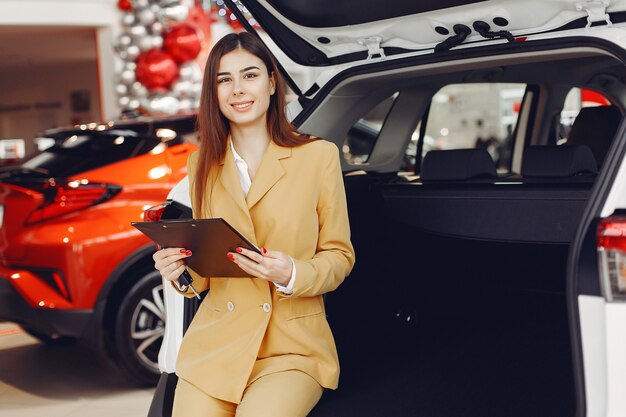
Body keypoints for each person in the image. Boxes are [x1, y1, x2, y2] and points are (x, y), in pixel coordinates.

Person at [152, 31, 355, 417]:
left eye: (250, 75)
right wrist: (177, 272)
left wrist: (291, 272)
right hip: (217, 344)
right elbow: (204, 274)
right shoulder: (202, 166)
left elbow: (339, 257)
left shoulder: (317, 156)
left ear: (272, 82)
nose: (237, 90)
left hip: (292, 348)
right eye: (223, 79)